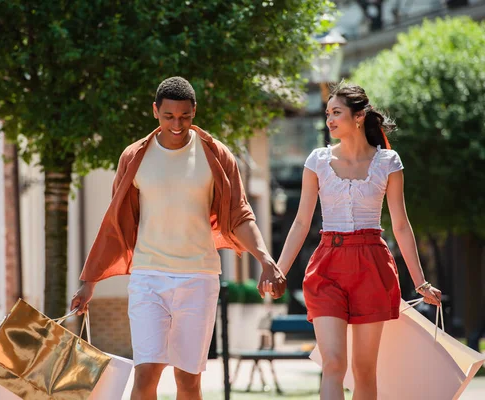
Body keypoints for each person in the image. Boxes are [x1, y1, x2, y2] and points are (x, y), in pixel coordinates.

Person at [71, 76, 286, 400]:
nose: (177, 124)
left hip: (198, 279)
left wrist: (265, 260)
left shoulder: (216, 155)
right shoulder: (135, 157)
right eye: (169, 116)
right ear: (155, 111)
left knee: (188, 381)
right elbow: (117, 225)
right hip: (148, 278)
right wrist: (89, 282)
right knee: (146, 374)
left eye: (184, 117)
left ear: (194, 111)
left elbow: (240, 215)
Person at [272, 82, 442, 399]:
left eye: (337, 113)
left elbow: (402, 226)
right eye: (327, 114)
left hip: (372, 266)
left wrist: (420, 282)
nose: (330, 121)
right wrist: (278, 270)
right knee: (333, 365)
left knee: (364, 371)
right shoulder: (317, 161)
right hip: (327, 266)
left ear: (359, 116)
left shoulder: (388, 163)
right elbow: (300, 222)